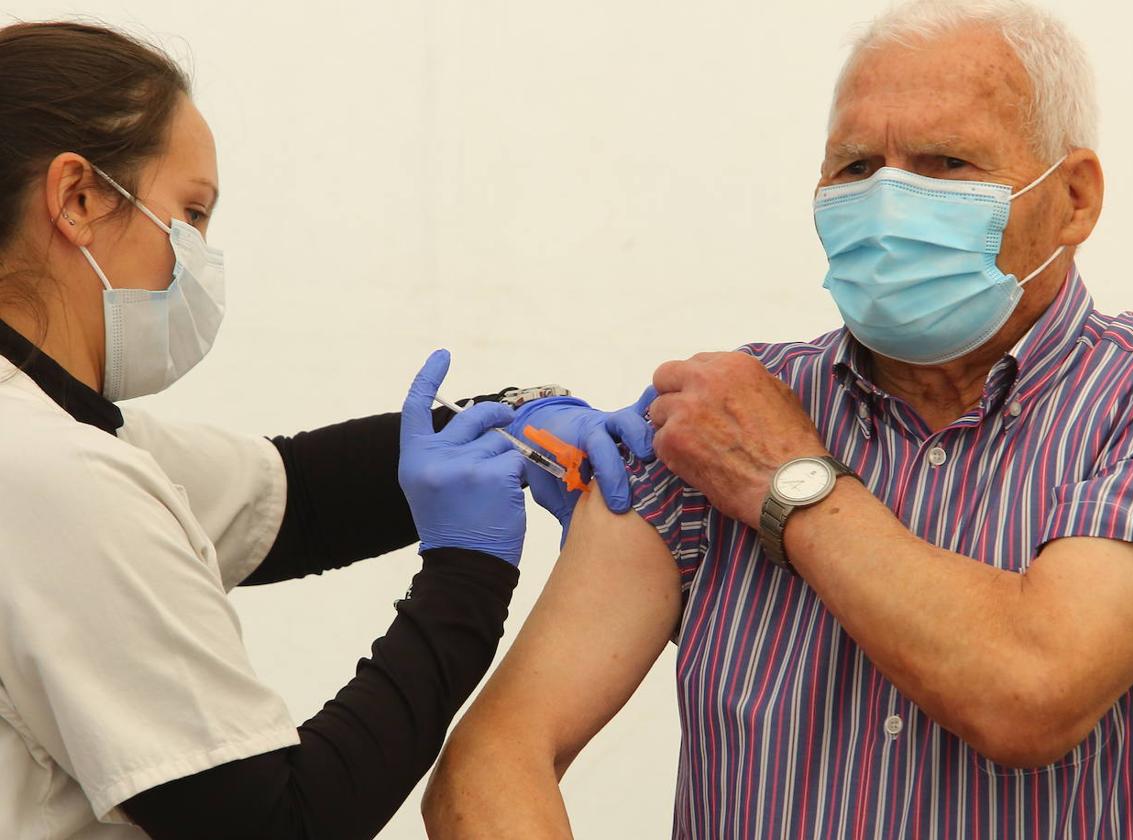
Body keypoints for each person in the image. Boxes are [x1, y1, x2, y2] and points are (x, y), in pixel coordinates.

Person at [424, 1, 1133, 837]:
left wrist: (781, 478)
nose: (892, 203)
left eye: (947, 163)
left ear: (1075, 198)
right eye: (857, 167)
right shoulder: (716, 413)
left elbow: (1030, 693)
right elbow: (496, 755)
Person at [0, 21, 652, 840]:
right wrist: (466, 576)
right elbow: (285, 822)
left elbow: (293, 496)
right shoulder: (51, 475)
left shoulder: (67, 436)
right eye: (189, 213)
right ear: (78, 199)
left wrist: (512, 417)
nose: (199, 254)